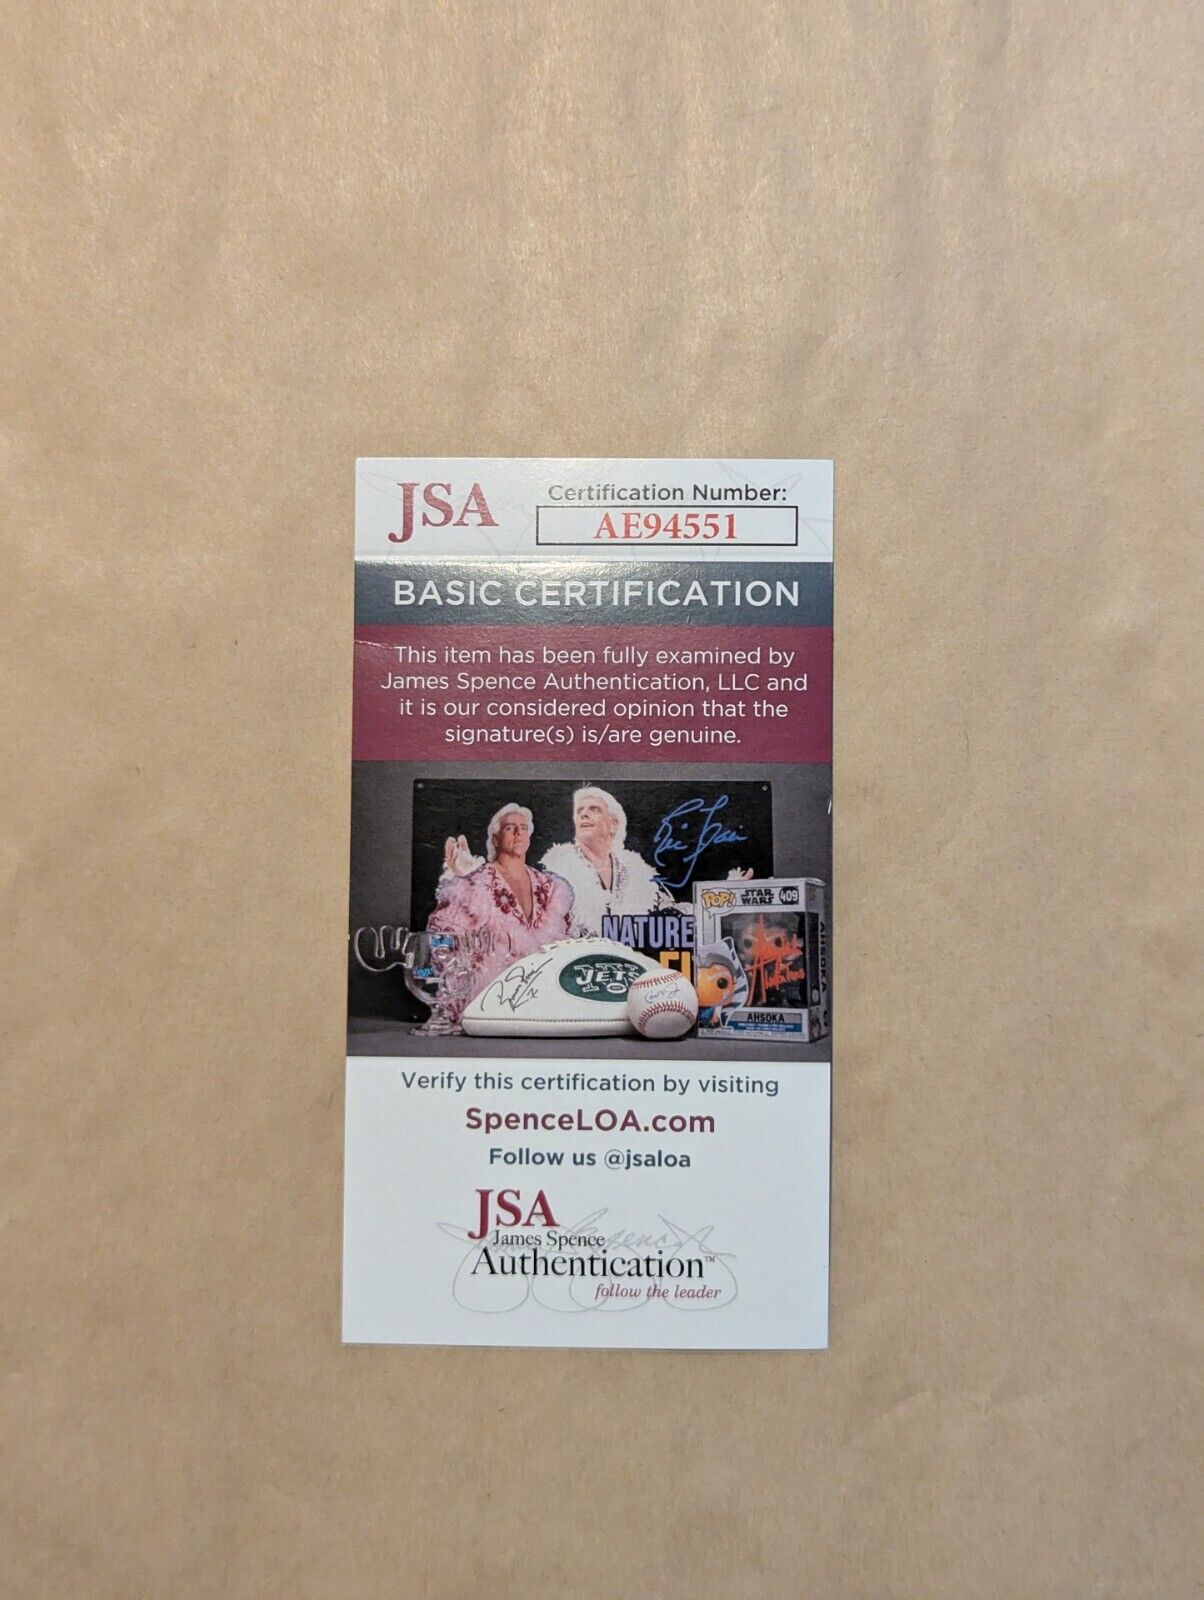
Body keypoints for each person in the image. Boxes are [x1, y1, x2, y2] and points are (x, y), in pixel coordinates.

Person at [428, 804, 573, 1019]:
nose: (518, 833)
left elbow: (565, 940)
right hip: (488, 999)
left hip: (540, 1001)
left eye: (524, 828)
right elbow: (442, 936)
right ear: (495, 839)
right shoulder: (475, 881)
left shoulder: (549, 887)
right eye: (510, 828)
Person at [539, 785, 672, 936]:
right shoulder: (555, 870)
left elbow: (671, 912)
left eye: (594, 809)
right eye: (579, 811)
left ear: (613, 824)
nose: (584, 814)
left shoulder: (638, 873)